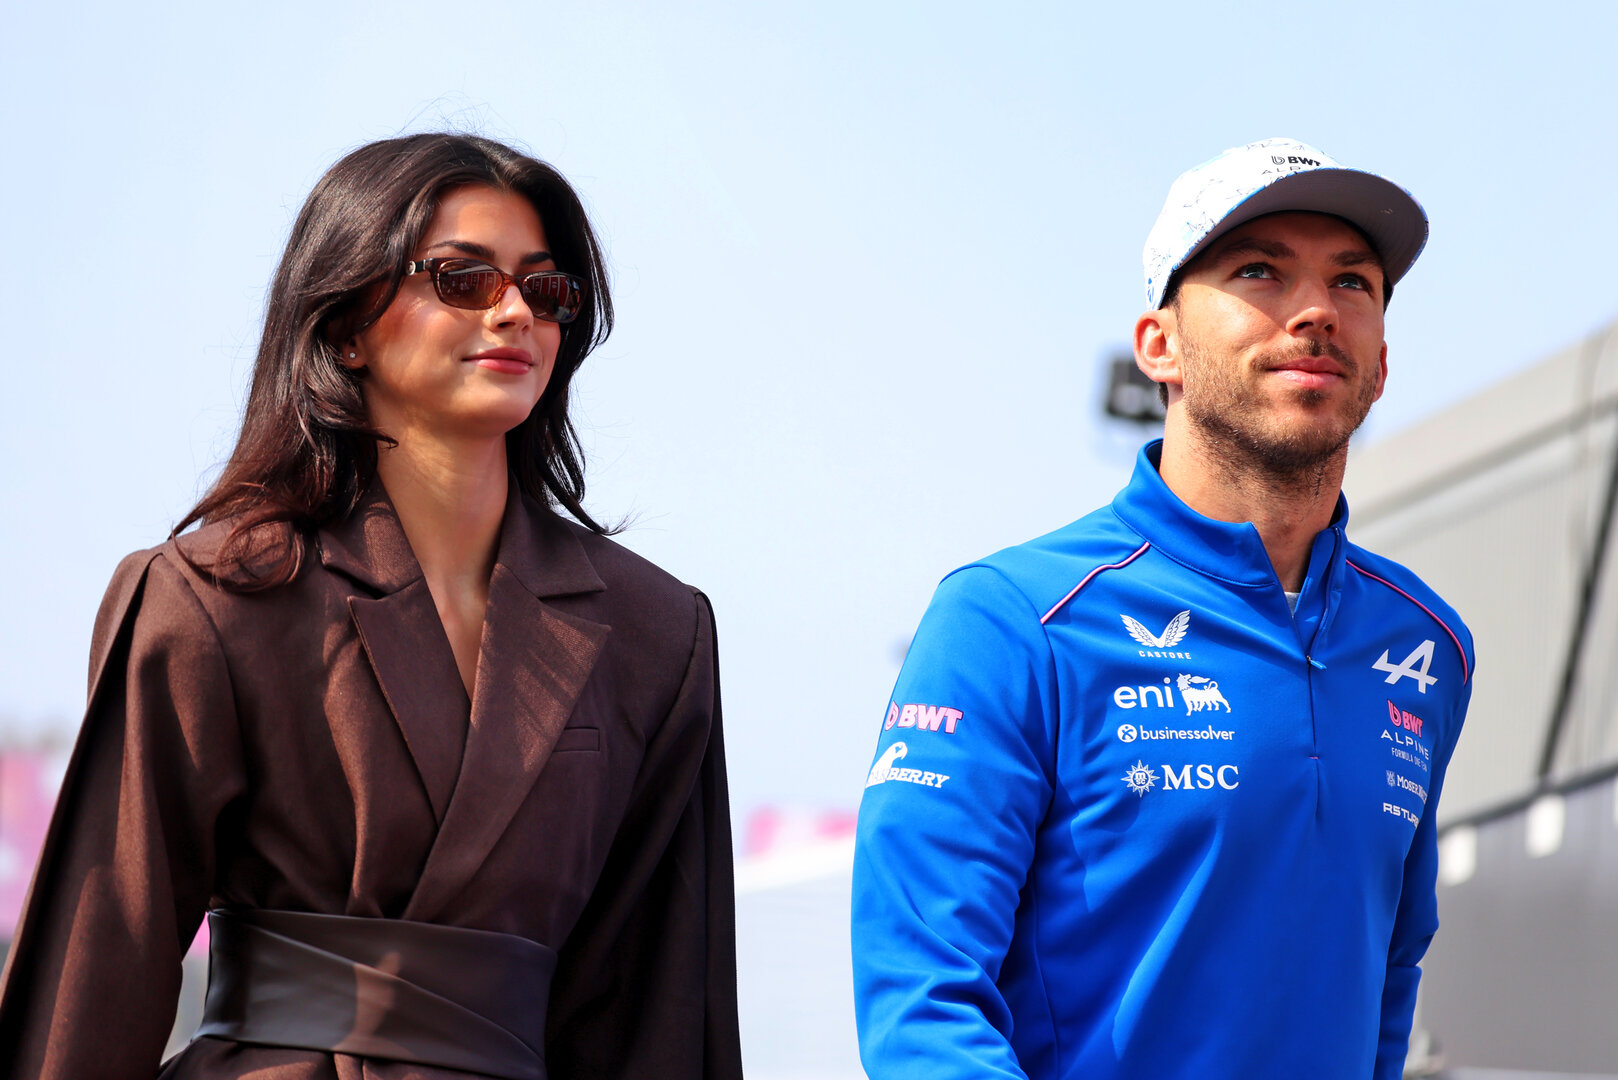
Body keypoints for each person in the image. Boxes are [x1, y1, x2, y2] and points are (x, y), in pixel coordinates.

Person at [0, 133, 742, 1080]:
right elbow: (96, 966)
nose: (515, 311)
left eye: (545, 288)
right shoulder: (211, 597)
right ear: (347, 324)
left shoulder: (656, 633)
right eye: (463, 279)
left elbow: (660, 1011)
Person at [851, 138, 1473, 1079]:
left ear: (1381, 363)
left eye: (1352, 282)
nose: (1316, 310)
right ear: (1159, 346)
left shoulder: (1425, 643)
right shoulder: (1010, 619)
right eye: (1259, 271)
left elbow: (1392, 966)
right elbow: (921, 1003)